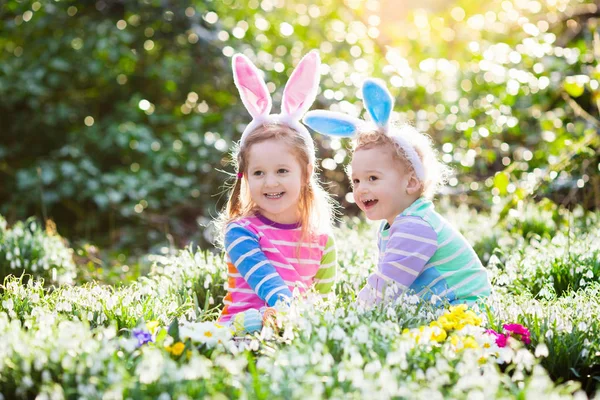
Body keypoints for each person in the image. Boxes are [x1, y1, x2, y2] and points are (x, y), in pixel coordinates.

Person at [303, 78, 491, 307]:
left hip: (466, 310)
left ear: (411, 183)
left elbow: (385, 288)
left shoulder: (416, 226)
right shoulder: (398, 223)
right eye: (357, 180)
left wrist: (347, 316)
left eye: (373, 178)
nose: (361, 188)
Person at [217, 50, 337, 325]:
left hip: (293, 328)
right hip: (243, 329)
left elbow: (323, 301)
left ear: (306, 173)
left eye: (282, 171)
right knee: (252, 323)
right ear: (245, 177)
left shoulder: (321, 240)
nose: (270, 182)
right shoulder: (241, 232)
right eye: (258, 173)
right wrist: (294, 317)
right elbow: (271, 288)